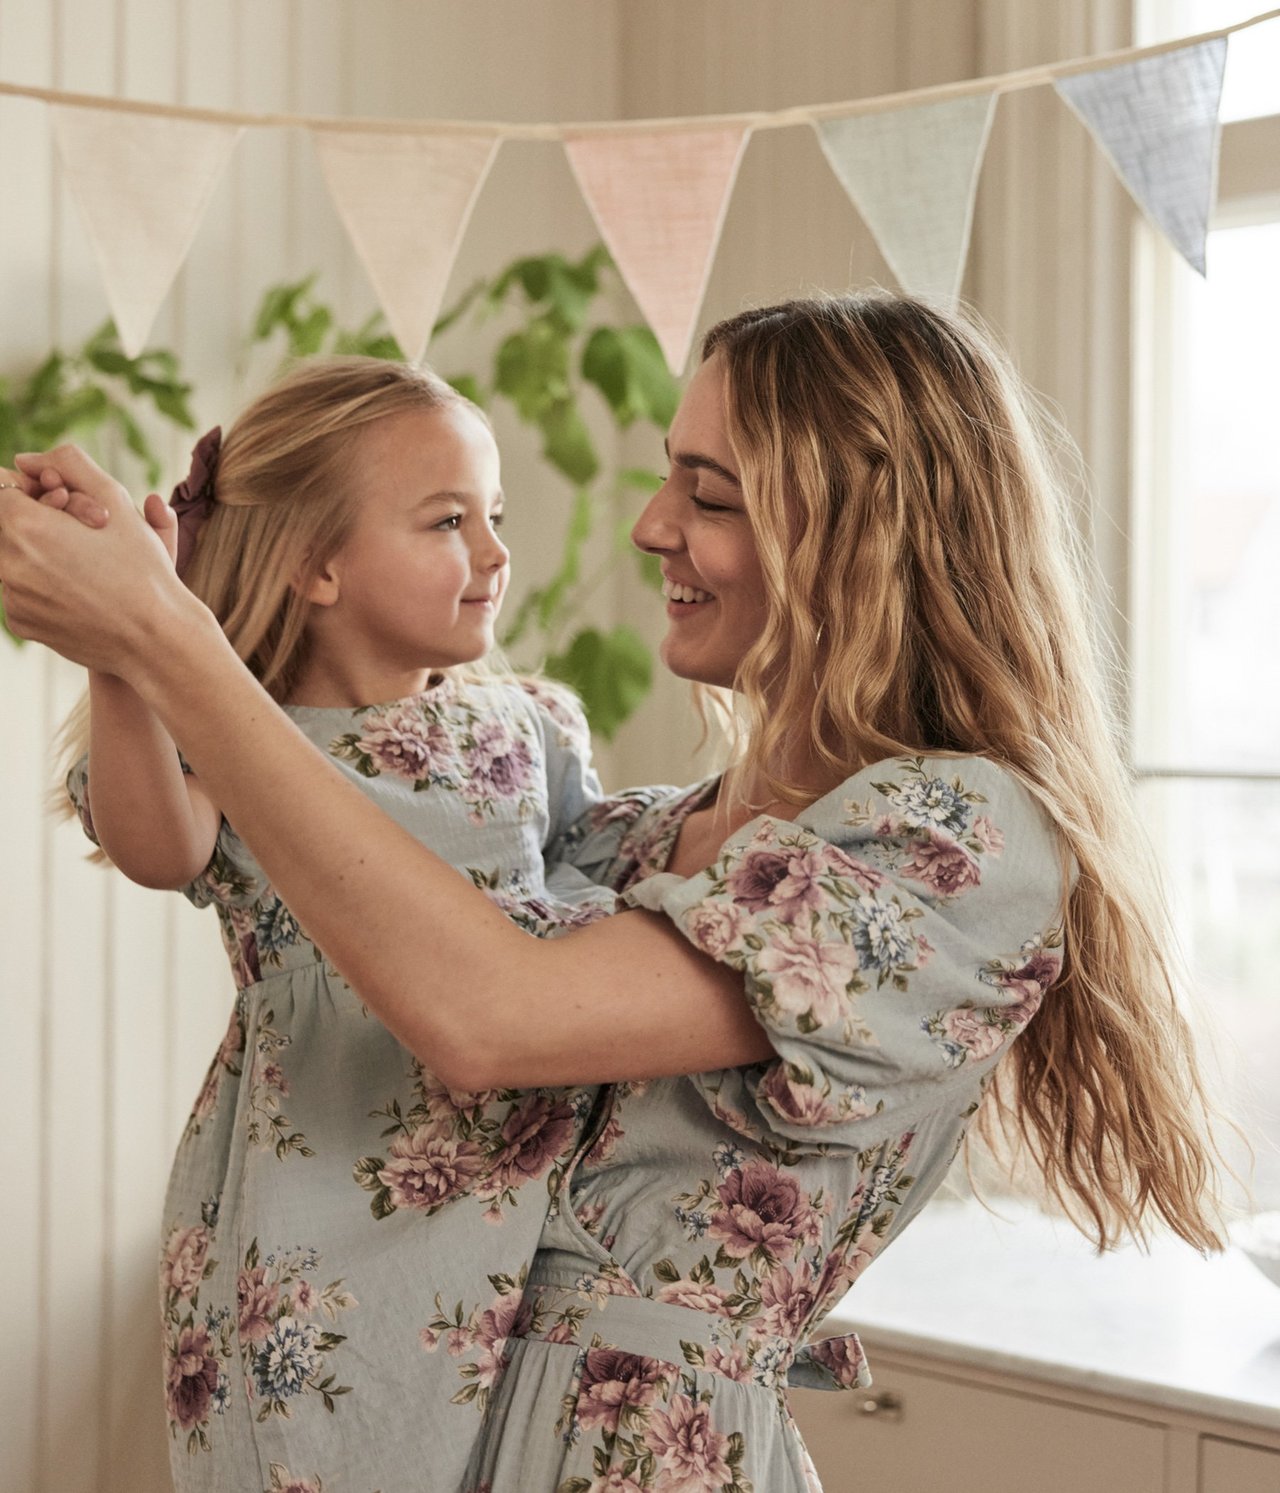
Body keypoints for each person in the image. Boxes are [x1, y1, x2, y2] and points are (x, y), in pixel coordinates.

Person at [0, 291, 1228, 1493]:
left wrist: (164, 638)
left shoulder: (954, 837)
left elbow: (490, 1017)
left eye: (708, 495)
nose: (648, 526)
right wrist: (156, 647)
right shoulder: (622, 841)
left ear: (856, 534)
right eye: (665, 478)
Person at [22, 356, 632, 1493]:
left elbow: (603, 900)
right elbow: (159, 849)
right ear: (315, 562)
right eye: (447, 521)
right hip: (321, 1209)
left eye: (493, 515)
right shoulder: (238, 745)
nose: (495, 554)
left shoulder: (532, 723)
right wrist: (128, 645)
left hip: (528, 1210)